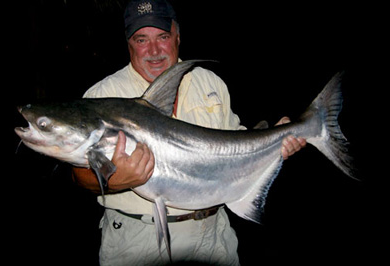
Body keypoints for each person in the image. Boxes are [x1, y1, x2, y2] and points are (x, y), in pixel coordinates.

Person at [73, 0, 306, 265]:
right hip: (138, 242)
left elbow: (234, 141)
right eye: (141, 40)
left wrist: (275, 142)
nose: (154, 50)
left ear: (177, 36)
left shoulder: (209, 82)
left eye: (162, 37)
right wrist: (117, 179)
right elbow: (79, 176)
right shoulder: (102, 96)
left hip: (214, 238)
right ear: (128, 43)